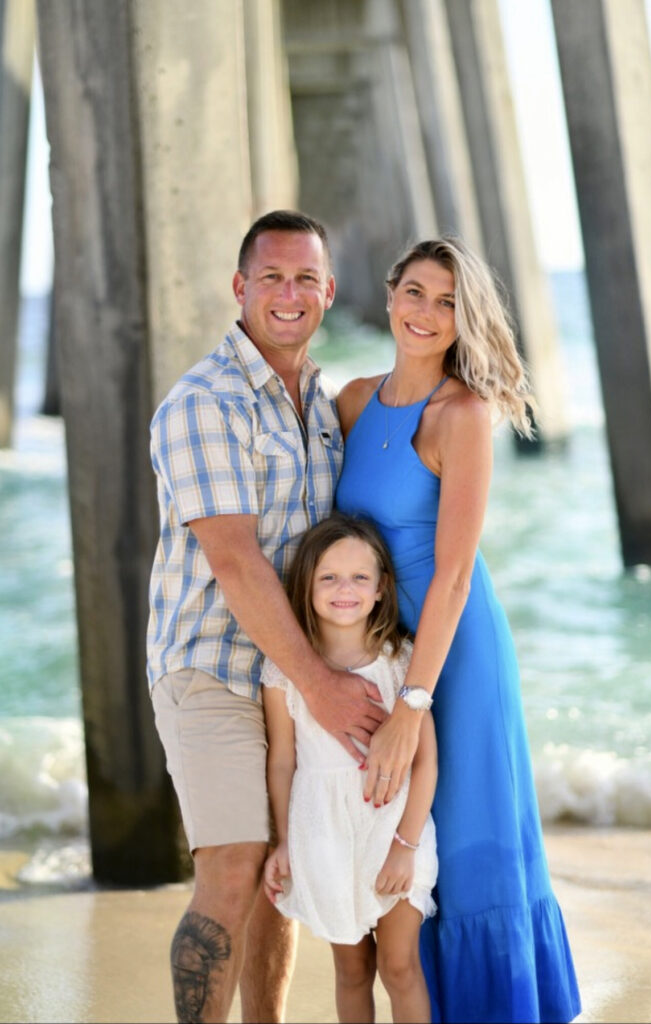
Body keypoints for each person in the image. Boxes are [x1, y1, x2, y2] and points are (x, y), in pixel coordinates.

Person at [146, 210, 386, 1024]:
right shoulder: (202, 404)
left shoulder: (323, 401)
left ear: (329, 291)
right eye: (272, 278)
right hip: (210, 663)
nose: (289, 294)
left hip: (290, 675)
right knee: (235, 862)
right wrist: (320, 685)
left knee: (280, 876)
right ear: (240, 288)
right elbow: (235, 561)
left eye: (306, 279)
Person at [335, 236, 582, 1023]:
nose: (426, 313)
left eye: (447, 301)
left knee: (469, 846)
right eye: (415, 292)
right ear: (388, 295)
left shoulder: (462, 414)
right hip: (381, 654)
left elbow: (450, 572)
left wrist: (412, 705)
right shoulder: (351, 401)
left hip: (457, 658)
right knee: (401, 854)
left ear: (463, 317)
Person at [261, 513, 438, 1024]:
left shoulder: (401, 662)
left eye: (360, 577)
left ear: (382, 588)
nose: (345, 589)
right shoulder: (283, 672)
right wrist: (284, 840)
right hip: (323, 836)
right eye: (329, 577)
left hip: (394, 831)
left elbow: (425, 761)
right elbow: (282, 761)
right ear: (307, 586)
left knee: (400, 967)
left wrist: (405, 846)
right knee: (353, 971)